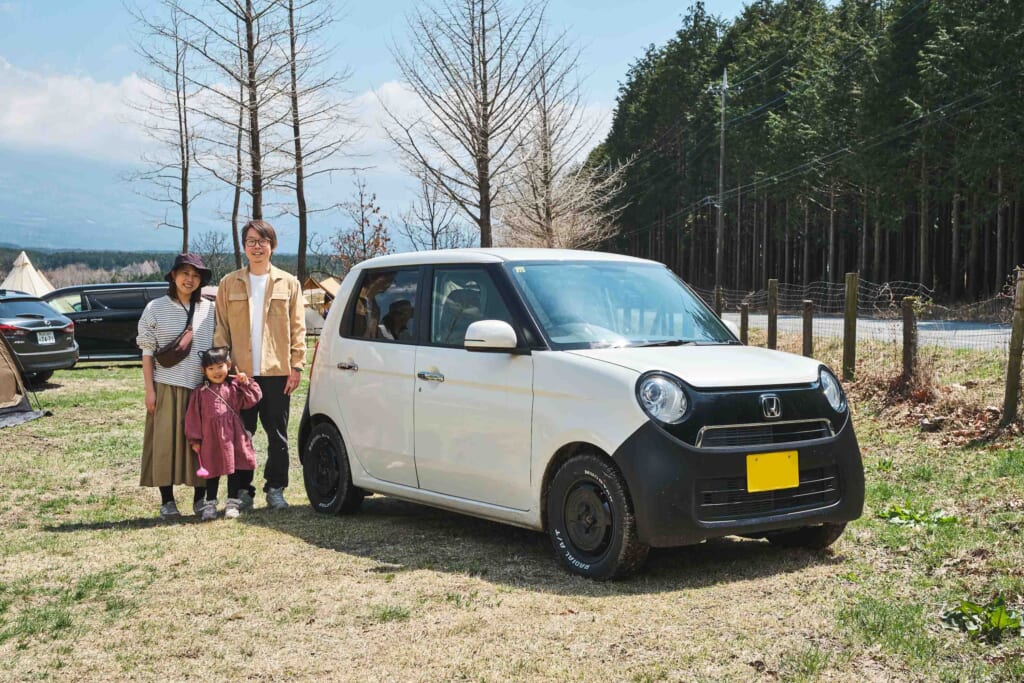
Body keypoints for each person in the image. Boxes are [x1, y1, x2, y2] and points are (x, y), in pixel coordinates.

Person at [214, 220, 306, 510]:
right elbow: (221, 328)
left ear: (272, 246)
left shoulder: (288, 283)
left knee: (277, 436)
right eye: (251, 241)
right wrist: (225, 368)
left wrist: (297, 366)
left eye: (262, 241)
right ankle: (243, 491)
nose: (257, 247)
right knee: (241, 435)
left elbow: (298, 328)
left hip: (277, 372)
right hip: (239, 374)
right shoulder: (229, 283)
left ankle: (276, 488)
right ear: (244, 247)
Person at [136, 253, 216, 519]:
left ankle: (200, 499)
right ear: (173, 275)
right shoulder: (155, 308)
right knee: (165, 443)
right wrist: (150, 390)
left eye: (195, 275)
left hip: (200, 388)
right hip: (166, 385)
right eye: (185, 273)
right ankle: (167, 501)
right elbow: (147, 351)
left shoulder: (210, 309)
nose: (189, 280)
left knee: (200, 445)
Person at [184, 347, 263, 521]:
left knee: (233, 470)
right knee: (212, 472)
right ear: (203, 370)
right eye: (211, 368)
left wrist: (246, 382)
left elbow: (253, 398)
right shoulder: (200, 393)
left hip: (232, 437)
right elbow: (193, 417)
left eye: (220, 366)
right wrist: (195, 438)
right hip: (210, 439)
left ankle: (232, 504)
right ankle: (210, 504)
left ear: (228, 365)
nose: (216, 372)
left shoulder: (234, 387)